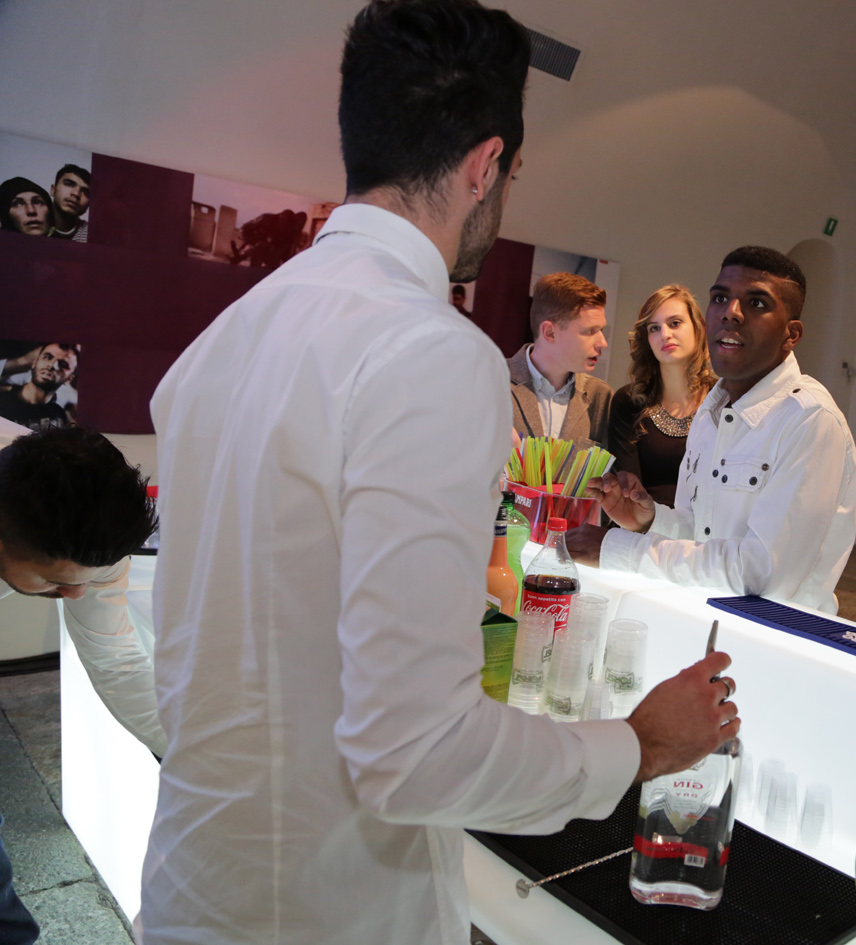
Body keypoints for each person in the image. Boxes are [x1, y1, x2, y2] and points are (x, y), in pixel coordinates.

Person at [141, 4, 738, 943]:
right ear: (485, 165)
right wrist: (638, 744)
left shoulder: (224, 338)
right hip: (325, 910)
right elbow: (414, 750)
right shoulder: (430, 350)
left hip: (194, 883)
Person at [568, 246, 856, 615]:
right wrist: (651, 520)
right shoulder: (712, 412)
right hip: (699, 615)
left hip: (773, 634)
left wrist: (621, 550)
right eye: (720, 298)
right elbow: (701, 532)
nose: (730, 312)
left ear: (791, 334)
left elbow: (763, 574)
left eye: (756, 303)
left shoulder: (809, 420)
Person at [0, 421, 165, 945]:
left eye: (89, 579)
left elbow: (115, 657)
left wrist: (188, 750)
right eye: (54, 580)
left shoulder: (83, 515)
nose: (74, 595)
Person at [607, 284, 717, 506]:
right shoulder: (629, 402)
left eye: (675, 323)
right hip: (646, 524)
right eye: (654, 328)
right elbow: (630, 497)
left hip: (709, 527)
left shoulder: (726, 398)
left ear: (699, 328)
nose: (665, 334)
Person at [506, 272, 613, 451]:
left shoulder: (600, 396)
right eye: (589, 331)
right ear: (550, 332)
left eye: (601, 330)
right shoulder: (490, 382)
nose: (603, 343)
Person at [0, 343, 78, 431]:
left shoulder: (59, 415)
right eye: (47, 357)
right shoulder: (3, 401)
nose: (52, 365)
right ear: (34, 363)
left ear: (69, 379)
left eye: (63, 364)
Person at [48, 164, 90, 242]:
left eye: (85, 192)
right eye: (68, 184)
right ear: (53, 190)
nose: (76, 194)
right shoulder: (30, 225)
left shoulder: (93, 235)